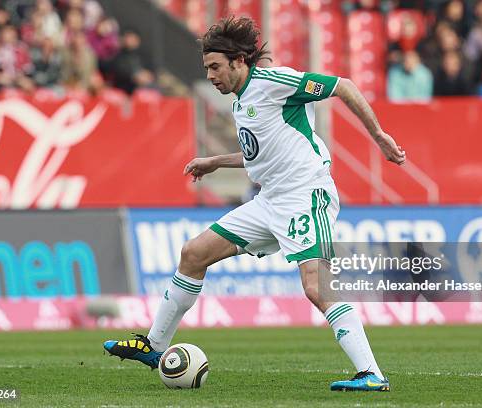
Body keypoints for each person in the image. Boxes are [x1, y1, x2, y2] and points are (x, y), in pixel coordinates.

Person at [103, 16, 405, 392]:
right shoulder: (241, 102)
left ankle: (371, 373)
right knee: (193, 253)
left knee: (316, 286)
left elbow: (343, 86)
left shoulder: (273, 82)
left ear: (239, 61)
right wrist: (215, 162)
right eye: (206, 68)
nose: (211, 76)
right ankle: (154, 345)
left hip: (305, 194)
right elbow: (261, 156)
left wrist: (379, 135)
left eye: (215, 67)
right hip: (269, 200)